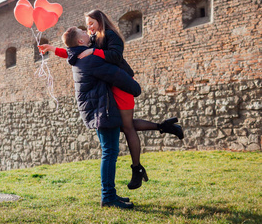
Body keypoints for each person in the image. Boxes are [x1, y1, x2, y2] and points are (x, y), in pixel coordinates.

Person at [39, 10, 184, 190]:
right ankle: (163, 127)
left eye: (91, 23)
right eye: (87, 24)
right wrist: (53, 49)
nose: (89, 27)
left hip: (122, 83)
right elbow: (76, 52)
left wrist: (93, 50)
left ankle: (137, 168)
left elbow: (115, 56)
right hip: (111, 85)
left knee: (127, 126)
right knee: (125, 124)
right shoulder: (93, 37)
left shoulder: (111, 34)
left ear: (100, 21)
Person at [61, 26, 141, 209]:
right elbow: (114, 74)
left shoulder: (79, 56)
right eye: (83, 33)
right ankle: (108, 197)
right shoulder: (88, 59)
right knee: (110, 153)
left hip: (97, 109)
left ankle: (110, 194)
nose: (87, 33)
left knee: (110, 152)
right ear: (80, 41)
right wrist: (136, 88)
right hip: (101, 110)